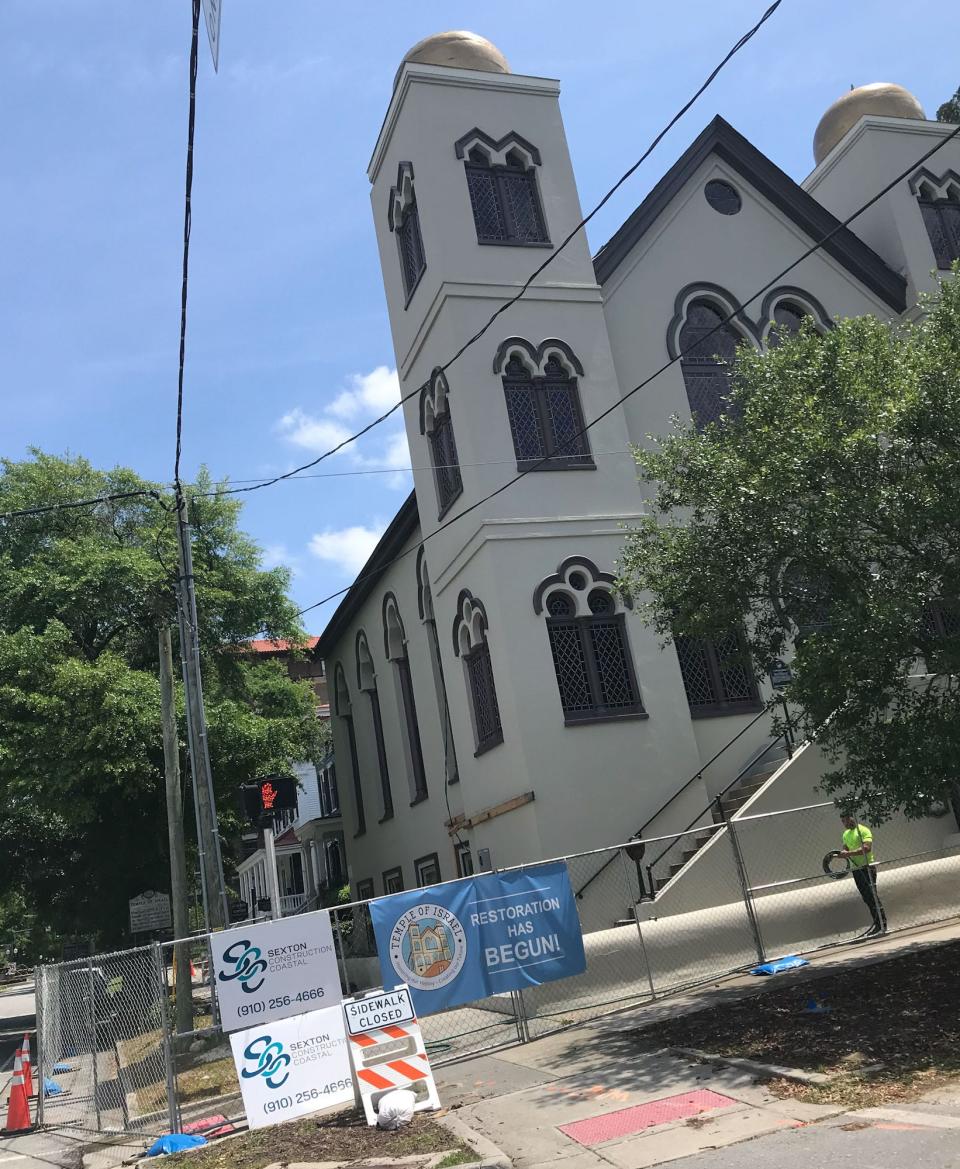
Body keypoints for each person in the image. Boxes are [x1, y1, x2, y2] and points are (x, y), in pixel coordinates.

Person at [839, 813, 887, 936]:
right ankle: (877, 923)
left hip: (867, 867)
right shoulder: (845, 834)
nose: (844, 823)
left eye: (846, 820)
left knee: (872, 895)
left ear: (852, 818)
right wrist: (843, 853)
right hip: (856, 870)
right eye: (842, 821)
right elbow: (845, 849)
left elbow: (866, 848)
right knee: (866, 897)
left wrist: (849, 854)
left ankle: (882, 924)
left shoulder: (863, 830)